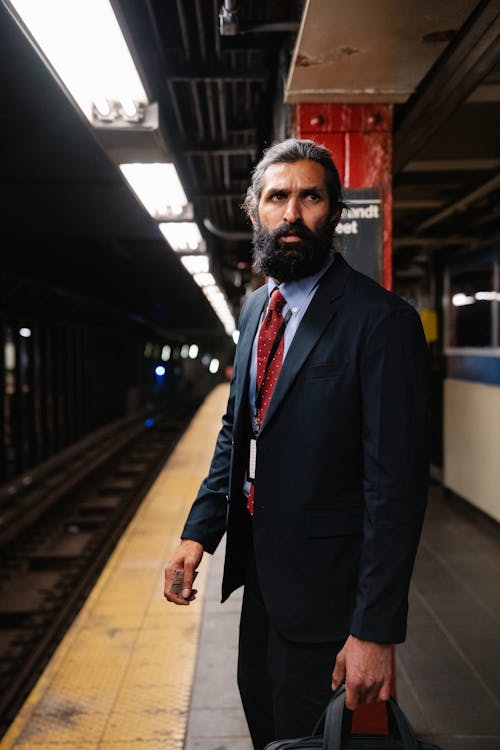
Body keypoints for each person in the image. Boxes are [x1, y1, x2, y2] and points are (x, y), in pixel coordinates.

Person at [164, 138, 429, 750]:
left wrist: (374, 630)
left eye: (310, 197)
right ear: (253, 210)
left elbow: (396, 489)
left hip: (331, 600)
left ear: (332, 212)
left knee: (313, 740)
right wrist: (197, 534)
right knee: (267, 727)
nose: (292, 213)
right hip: (261, 585)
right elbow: (240, 432)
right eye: (277, 197)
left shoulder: (381, 322)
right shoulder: (258, 308)